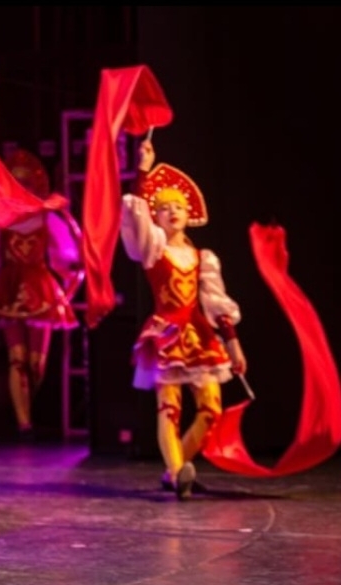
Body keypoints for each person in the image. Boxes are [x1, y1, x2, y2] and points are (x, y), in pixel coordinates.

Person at [120, 139, 246, 500]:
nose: (172, 211)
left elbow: (216, 304)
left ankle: (175, 472)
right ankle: (177, 472)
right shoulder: (153, 250)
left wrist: (233, 345)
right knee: (169, 407)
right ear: (156, 217)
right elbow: (135, 216)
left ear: (188, 213)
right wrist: (142, 170)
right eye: (163, 208)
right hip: (165, 335)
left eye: (177, 206)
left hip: (199, 336)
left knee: (211, 410)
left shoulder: (203, 257)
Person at [0, 148, 82, 440]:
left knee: (36, 362)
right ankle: (24, 422)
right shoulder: (2, 221)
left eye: (26, 182)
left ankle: (30, 408)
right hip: (8, 288)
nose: (21, 187)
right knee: (17, 358)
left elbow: (65, 254)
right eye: (16, 182)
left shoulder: (48, 219)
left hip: (39, 288)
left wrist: (72, 265)